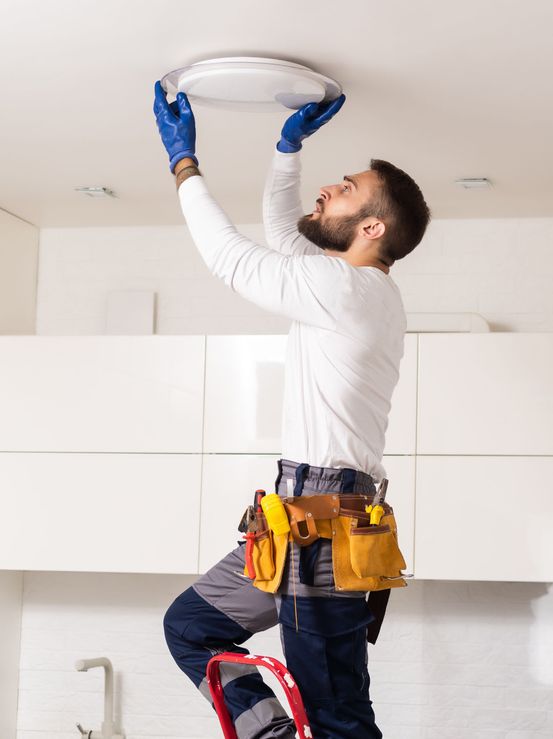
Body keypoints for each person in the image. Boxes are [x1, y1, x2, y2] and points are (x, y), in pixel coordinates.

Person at [153, 80, 431, 739]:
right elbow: (284, 234)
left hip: (325, 529)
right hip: (294, 519)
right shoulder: (357, 287)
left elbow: (230, 256)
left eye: (345, 188)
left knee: (338, 713)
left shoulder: (344, 289)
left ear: (371, 228)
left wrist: (183, 163)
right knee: (193, 625)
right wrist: (286, 150)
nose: (327, 191)